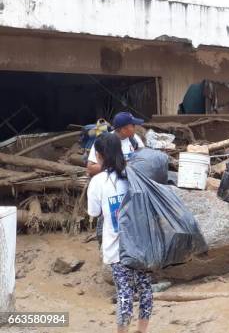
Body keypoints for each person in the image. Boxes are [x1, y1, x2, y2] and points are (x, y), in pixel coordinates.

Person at [87, 133, 153, 333]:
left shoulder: (98, 182)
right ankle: (142, 330)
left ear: (99, 156)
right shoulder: (133, 174)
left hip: (117, 248)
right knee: (145, 289)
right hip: (141, 243)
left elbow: (94, 212)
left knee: (124, 292)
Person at [87, 112, 145, 177]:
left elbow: (144, 159)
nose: (135, 128)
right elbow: (90, 169)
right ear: (123, 130)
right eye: (133, 126)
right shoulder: (104, 141)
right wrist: (118, 166)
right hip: (109, 182)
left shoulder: (134, 139)